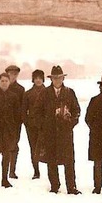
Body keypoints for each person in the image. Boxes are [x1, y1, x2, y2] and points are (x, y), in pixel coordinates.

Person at [37, 65, 82, 195]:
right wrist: (45, 125)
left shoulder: (69, 92)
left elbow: (77, 110)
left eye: (60, 78)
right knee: (51, 160)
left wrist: (71, 122)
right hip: (50, 133)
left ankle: (71, 187)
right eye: (55, 78)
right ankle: (54, 186)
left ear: (63, 78)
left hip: (65, 133)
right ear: (51, 79)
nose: (57, 80)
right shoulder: (44, 93)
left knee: (69, 161)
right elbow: (37, 112)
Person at [22, 69, 46, 179]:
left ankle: (51, 169)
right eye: (36, 78)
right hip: (31, 125)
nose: (38, 80)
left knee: (46, 147)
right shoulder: (28, 94)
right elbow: (23, 110)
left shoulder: (48, 92)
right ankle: (36, 171)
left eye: (40, 78)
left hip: (46, 125)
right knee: (34, 148)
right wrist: (27, 122)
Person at [5, 64, 25, 179]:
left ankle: (12, 171)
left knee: (14, 145)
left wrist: (20, 120)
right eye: (11, 73)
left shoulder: (20, 89)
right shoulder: (2, 86)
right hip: (2, 122)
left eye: (15, 74)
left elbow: (23, 106)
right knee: (0, 146)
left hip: (16, 122)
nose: (13, 76)